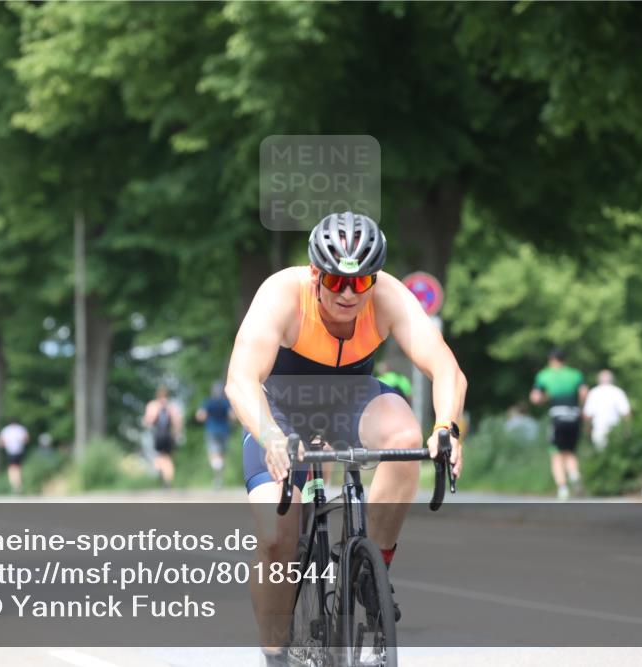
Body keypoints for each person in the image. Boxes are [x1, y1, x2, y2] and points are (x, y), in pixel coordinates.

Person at [225, 212, 466, 664]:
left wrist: (446, 427)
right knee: (279, 533)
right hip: (280, 410)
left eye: (361, 282)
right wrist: (271, 435)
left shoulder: (388, 296)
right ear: (316, 274)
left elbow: (445, 367)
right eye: (337, 281)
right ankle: (276, 652)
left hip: (352, 401)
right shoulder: (282, 293)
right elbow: (240, 379)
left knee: (404, 435)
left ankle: (370, 574)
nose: (349, 294)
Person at [529, 348, 587, 500]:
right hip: (574, 415)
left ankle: (562, 488)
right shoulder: (575, 374)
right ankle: (574, 475)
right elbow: (583, 392)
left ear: (551, 360)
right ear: (564, 360)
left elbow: (535, 398)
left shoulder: (544, 375)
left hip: (557, 416)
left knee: (556, 453)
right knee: (569, 451)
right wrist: (579, 407)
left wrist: (544, 399)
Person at [142, 385, 183, 488]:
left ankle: (162, 477)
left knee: (159, 456)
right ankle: (167, 480)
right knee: (168, 458)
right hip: (169, 434)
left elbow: (148, 421)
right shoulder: (171, 406)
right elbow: (177, 422)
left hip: (158, 434)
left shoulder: (153, 405)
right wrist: (177, 434)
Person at [196, 381, 235, 488]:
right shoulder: (225, 403)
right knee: (222, 454)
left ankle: (217, 468)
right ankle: (219, 478)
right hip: (224, 430)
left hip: (212, 430)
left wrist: (206, 418)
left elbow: (200, 416)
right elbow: (232, 416)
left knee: (213, 453)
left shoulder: (208, 402)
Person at [583, 369, 632, 451]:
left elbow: (587, 415)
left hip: (599, 429)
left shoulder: (594, 392)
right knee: (616, 454)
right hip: (615, 430)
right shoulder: (618, 392)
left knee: (600, 456)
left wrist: (587, 430)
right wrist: (627, 429)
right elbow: (626, 413)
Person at [0, 418, 30, 494]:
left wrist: (4, 444)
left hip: (12, 451)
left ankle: (15, 485)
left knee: (13, 468)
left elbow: (0, 442)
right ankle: (17, 485)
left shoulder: (6, 429)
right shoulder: (20, 429)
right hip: (17, 451)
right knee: (16, 467)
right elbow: (26, 439)